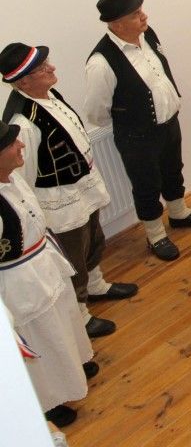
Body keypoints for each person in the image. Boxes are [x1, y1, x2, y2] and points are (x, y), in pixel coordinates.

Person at [2, 43, 137, 340]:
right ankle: (81, 316)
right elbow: (24, 177)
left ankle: (96, 286)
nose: (51, 68)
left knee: (93, 241)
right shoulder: (23, 123)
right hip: (61, 203)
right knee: (74, 257)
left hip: (81, 188)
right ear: (23, 82)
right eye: (42, 68)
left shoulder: (50, 96)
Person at [85, 0, 191, 262]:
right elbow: (96, 112)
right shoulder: (101, 62)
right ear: (117, 24)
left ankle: (179, 214)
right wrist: (132, 120)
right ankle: (155, 235)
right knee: (146, 184)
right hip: (137, 136)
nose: (144, 16)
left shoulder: (148, 34)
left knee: (172, 170)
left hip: (168, 123)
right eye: (136, 14)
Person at [0, 120, 98, 428]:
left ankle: (74, 365)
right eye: (12, 144)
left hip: (44, 262)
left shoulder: (13, 179)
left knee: (63, 320)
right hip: (21, 282)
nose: (21, 145)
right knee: (42, 335)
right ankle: (49, 398)